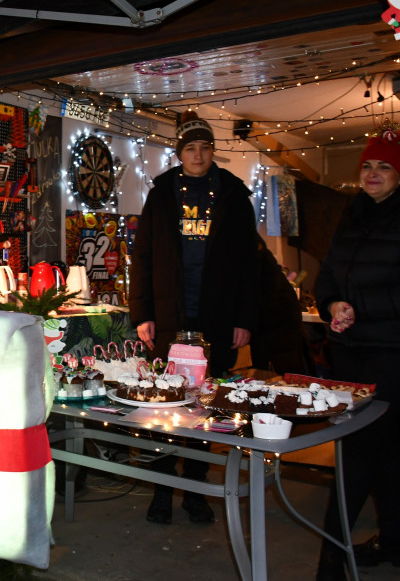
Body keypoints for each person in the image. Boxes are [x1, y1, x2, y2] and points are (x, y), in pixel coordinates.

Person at [314, 127, 400, 580]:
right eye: (369, 165)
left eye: (385, 167)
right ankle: (397, 543)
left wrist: (361, 308)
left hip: (397, 348)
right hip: (351, 347)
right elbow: (329, 273)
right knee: (381, 441)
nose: (373, 174)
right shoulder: (352, 212)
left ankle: (331, 556)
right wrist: (332, 304)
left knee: (357, 440)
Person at [129, 110, 259, 525]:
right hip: (169, 315)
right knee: (163, 406)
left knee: (206, 408)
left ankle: (197, 490)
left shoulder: (235, 194)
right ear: (180, 152)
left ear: (212, 150)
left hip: (217, 317)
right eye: (190, 148)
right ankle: (163, 490)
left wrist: (245, 317)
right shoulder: (162, 192)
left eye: (205, 147)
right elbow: (143, 257)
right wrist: (142, 313)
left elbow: (247, 264)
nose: (198, 154)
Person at [250, 237, 313, 375]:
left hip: (277, 325)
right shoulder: (262, 257)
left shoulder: (256, 260)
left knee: (285, 376)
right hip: (280, 323)